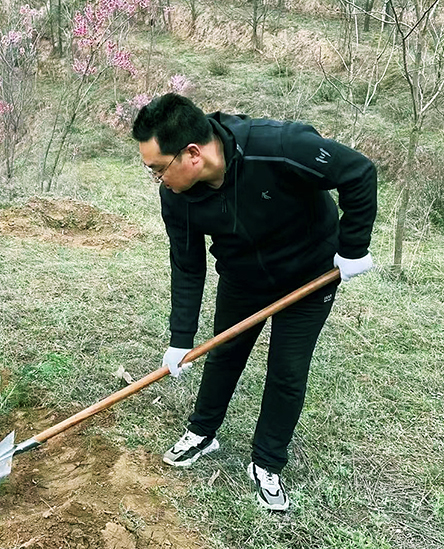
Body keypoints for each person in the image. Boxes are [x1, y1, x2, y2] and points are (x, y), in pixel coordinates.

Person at [132, 93, 377, 511]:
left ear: (192, 154)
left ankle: (267, 462)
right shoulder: (176, 196)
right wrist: (180, 339)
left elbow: (358, 171)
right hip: (243, 277)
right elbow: (187, 265)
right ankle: (202, 432)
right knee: (225, 353)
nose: (157, 178)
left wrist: (352, 249)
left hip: (310, 277)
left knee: (287, 370)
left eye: (157, 168)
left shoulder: (278, 146)